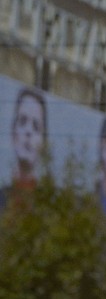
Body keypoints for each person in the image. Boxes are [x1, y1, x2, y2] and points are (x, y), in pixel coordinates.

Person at [5, 84, 49, 212]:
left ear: (43, 143)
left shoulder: (47, 207)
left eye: (36, 126)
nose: (28, 132)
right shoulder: (2, 197)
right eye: (22, 121)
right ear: (13, 133)